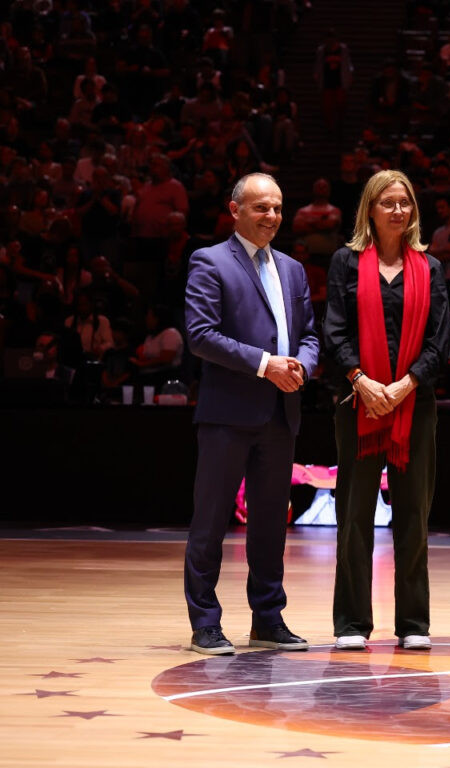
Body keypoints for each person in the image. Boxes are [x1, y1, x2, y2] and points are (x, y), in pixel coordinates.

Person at [183, 173, 320, 655]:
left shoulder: (293, 269)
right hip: (228, 413)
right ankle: (205, 623)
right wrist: (266, 366)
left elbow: (310, 334)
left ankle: (267, 619)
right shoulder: (210, 261)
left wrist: (302, 363)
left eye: (278, 208)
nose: (272, 217)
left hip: (282, 412)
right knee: (212, 520)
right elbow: (200, 334)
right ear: (235, 209)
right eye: (262, 208)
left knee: (269, 522)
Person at [324, 170, 450, 652]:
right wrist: (361, 380)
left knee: (413, 516)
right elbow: (334, 330)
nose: (399, 210)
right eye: (388, 203)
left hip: (413, 404)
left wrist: (405, 385)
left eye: (405, 203)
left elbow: (441, 339)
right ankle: (352, 623)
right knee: (354, 515)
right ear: (370, 211)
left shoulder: (430, 267)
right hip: (359, 402)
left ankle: (414, 623)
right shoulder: (346, 262)